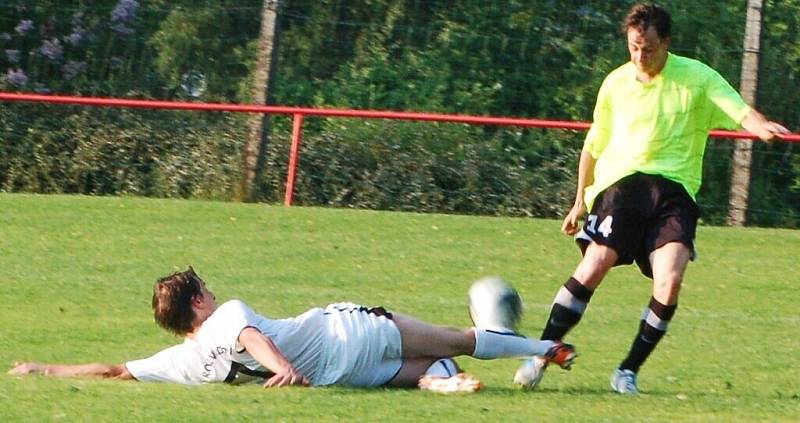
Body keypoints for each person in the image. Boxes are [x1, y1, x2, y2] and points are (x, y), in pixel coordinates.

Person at [513, 3, 790, 395]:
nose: (640, 57)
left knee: (670, 280)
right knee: (596, 263)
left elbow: (738, 110)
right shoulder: (615, 83)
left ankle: (627, 371)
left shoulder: (696, 77)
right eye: (634, 48)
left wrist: (760, 125)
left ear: (667, 43)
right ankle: (540, 355)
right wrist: (579, 201)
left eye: (649, 49)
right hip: (622, 186)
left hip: (675, 192)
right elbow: (593, 146)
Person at [9, 267, 576, 393]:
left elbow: (115, 370)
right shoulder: (226, 314)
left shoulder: (181, 362)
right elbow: (251, 338)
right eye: (203, 287)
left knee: (419, 373)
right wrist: (282, 367)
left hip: (340, 378)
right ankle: (546, 347)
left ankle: (437, 384)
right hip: (348, 335)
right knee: (458, 338)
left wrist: (43, 369)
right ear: (199, 301)